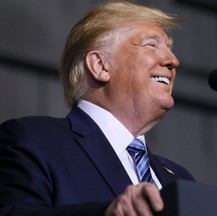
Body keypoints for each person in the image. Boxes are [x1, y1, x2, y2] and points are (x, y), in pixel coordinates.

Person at [0, 1, 195, 215]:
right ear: (100, 66)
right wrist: (108, 212)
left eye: (170, 48)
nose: (173, 60)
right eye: (151, 45)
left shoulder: (179, 178)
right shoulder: (34, 140)